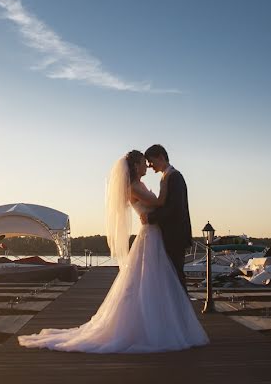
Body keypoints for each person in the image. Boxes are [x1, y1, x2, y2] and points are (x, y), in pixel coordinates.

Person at [17, 150, 208, 353]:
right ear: (135, 166)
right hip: (150, 235)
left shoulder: (140, 185)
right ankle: (154, 326)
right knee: (152, 280)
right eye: (144, 163)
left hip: (154, 235)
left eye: (149, 162)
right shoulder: (135, 187)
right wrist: (164, 183)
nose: (147, 166)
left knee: (156, 280)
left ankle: (165, 322)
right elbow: (160, 203)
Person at [140, 144, 192, 289]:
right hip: (169, 234)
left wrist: (150, 218)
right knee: (170, 276)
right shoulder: (166, 176)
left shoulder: (175, 177)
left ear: (161, 157)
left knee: (176, 275)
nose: (150, 166)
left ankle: (181, 309)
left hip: (175, 235)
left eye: (151, 161)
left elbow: (175, 208)